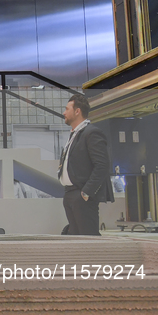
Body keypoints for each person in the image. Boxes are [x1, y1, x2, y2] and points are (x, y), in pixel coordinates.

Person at [58, 94, 114, 235]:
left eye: (67, 109)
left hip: (82, 195)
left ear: (77, 111)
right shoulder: (75, 135)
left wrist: (86, 192)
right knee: (76, 240)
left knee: (88, 238)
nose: (64, 113)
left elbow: (102, 165)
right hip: (70, 194)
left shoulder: (92, 133)